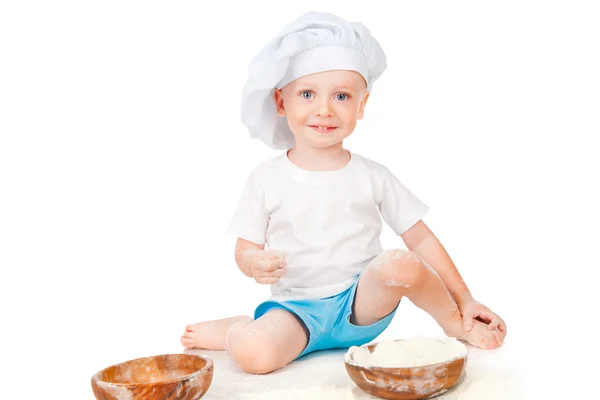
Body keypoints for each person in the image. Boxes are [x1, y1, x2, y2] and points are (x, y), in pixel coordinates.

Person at [181, 11, 506, 375]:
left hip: (362, 305)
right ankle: (236, 329)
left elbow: (423, 242)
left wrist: (464, 299)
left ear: (361, 105)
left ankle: (453, 324)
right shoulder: (266, 178)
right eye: (307, 94)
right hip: (295, 312)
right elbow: (245, 248)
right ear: (281, 102)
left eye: (341, 96)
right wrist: (254, 263)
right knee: (255, 355)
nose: (324, 109)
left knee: (398, 263)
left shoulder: (372, 175)